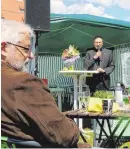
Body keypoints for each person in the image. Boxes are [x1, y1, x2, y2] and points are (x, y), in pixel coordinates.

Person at [1, 19, 90, 148]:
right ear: (4, 48)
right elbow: (66, 135)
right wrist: (73, 127)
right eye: (26, 49)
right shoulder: (24, 83)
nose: (31, 55)